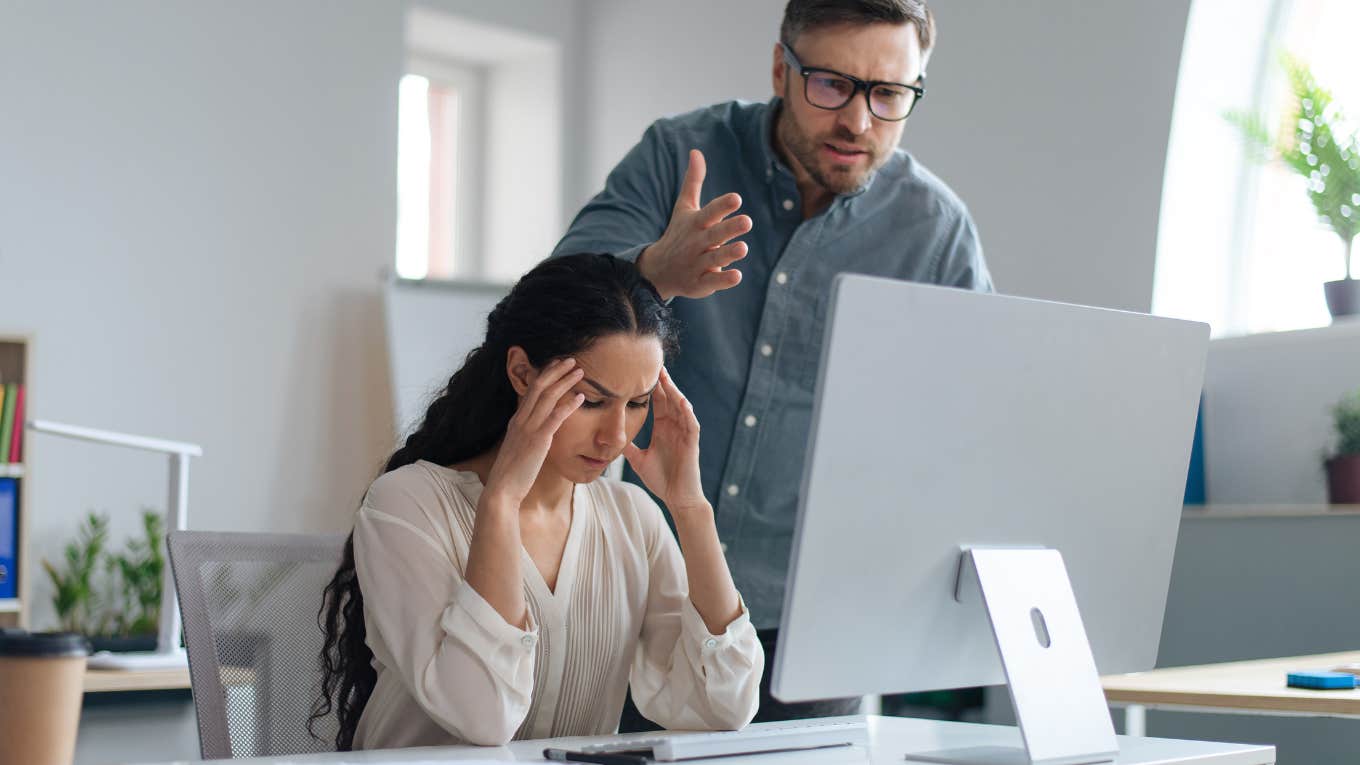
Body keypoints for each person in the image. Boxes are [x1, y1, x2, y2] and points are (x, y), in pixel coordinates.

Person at [552, 0, 993, 724]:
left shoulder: (936, 233)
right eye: (832, 85)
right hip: (640, 593)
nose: (859, 120)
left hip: (815, 622)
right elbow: (557, 300)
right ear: (780, 69)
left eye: (889, 95)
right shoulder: (680, 153)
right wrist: (654, 268)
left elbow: (966, 423)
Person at [312, 253, 763, 750]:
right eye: (591, 401)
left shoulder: (634, 519)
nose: (615, 436)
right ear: (524, 374)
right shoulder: (407, 504)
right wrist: (501, 502)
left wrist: (690, 508)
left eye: (636, 405)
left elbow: (724, 706)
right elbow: (483, 716)